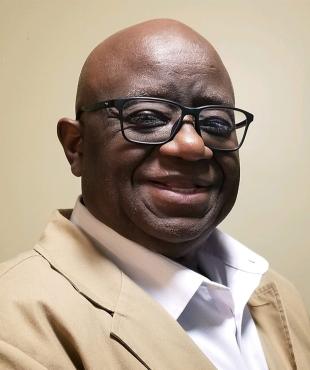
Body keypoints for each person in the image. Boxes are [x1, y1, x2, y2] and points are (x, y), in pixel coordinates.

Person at [0, 19, 309, 370]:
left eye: (216, 123)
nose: (193, 145)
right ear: (77, 146)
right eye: (147, 117)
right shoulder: (14, 325)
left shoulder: (276, 294)